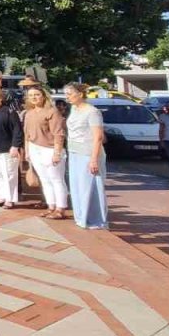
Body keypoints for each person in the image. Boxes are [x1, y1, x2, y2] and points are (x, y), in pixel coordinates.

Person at [65, 83, 108, 229]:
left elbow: (98, 137)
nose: (67, 97)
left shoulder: (92, 112)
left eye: (70, 94)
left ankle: (95, 219)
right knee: (76, 186)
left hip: (88, 152)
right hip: (74, 151)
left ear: (80, 94)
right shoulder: (74, 109)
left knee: (89, 186)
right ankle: (80, 217)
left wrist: (94, 159)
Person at [23, 85, 67, 218]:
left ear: (43, 96)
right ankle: (51, 206)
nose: (34, 98)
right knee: (44, 180)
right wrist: (27, 152)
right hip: (35, 149)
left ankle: (61, 208)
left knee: (57, 179)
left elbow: (58, 134)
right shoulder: (29, 113)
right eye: (31, 96)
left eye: (37, 94)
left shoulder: (52, 112)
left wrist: (57, 153)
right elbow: (27, 134)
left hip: (50, 149)